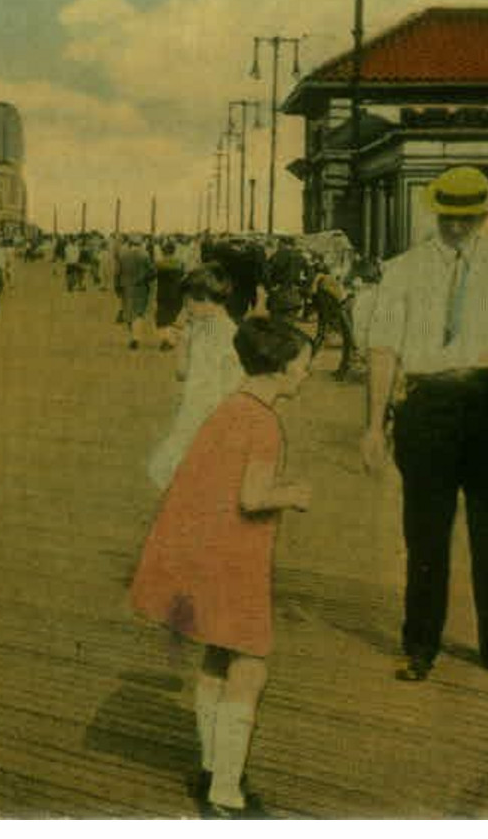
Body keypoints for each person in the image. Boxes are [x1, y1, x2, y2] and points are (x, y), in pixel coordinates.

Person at [359, 165, 488, 682]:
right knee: (425, 536)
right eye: (452, 216)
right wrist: (374, 426)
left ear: (484, 213)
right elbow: (382, 350)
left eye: (470, 217)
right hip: (429, 406)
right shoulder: (403, 270)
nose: (460, 227)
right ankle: (420, 645)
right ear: (438, 211)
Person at [129, 316, 314, 819]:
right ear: (278, 368)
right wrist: (293, 495)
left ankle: (212, 768)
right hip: (236, 556)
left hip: (203, 553)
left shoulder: (229, 408)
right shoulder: (265, 423)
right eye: (302, 365)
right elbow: (253, 497)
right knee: (249, 667)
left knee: (216, 658)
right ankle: (227, 796)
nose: (306, 374)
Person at [147, 266, 243, 490]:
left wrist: (182, 342)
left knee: (174, 474)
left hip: (205, 414)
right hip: (216, 412)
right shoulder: (224, 328)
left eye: (188, 301)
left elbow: (184, 374)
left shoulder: (209, 333)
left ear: (205, 299)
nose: (185, 308)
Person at [117, 236, 156, 349]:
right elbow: (152, 272)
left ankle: (132, 336)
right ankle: (136, 337)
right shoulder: (144, 256)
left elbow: (117, 273)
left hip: (126, 287)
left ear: (130, 244)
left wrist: (117, 286)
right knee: (138, 313)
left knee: (129, 312)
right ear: (140, 244)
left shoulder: (123, 256)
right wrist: (146, 279)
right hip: (140, 288)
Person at [152, 241, 186, 350]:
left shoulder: (159, 264)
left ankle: (168, 340)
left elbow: (151, 275)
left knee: (162, 318)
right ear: (174, 251)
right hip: (177, 293)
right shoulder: (180, 263)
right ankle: (172, 340)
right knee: (173, 317)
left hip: (163, 294)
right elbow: (183, 275)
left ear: (163, 251)